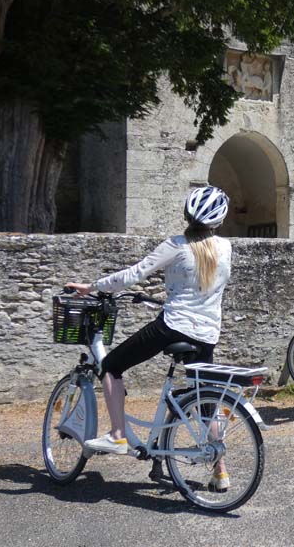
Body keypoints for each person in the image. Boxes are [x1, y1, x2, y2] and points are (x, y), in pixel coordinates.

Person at [65, 185, 233, 490]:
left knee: (112, 366)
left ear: (186, 214)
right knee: (206, 398)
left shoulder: (177, 245)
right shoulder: (225, 247)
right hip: (208, 333)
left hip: (174, 325)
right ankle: (220, 470)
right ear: (219, 221)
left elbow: (133, 275)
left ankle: (117, 434)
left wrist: (93, 286)